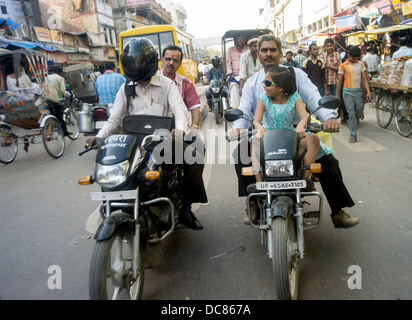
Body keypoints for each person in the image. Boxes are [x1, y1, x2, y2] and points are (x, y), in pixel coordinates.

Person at [230, 34, 358, 229]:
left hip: (297, 136)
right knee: (239, 153)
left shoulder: (297, 76)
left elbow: (315, 100)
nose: (268, 54)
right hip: (267, 136)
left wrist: (330, 118)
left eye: (273, 49)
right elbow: (245, 111)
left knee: (328, 161)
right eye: (264, 50)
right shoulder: (253, 83)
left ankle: (337, 212)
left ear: (281, 53)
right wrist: (238, 128)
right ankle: (253, 203)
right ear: (258, 53)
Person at [86, 38, 207, 230]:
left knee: (194, 156)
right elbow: (114, 119)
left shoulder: (167, 85)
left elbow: (179, 109)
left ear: (150, 62)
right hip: (132, 145)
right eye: (132, 62)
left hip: (160, 142)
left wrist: (181, 129)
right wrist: (99, 137)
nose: (136, 66)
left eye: (140, 61)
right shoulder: (124, 88)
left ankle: (185, 208)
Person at [251, 66, 319, 185]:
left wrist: (300, 126)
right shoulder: (263, 99)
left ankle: (305, 179)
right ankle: (259, 181)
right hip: (267, 136)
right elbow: (256, 120)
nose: (264, 86)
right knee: (254, 141)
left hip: (290, 136)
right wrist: (260, 128)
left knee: (313, 140)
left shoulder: (294, 98)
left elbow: (304, 116)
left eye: (267, 83)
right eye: (264, 82)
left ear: (280, 87)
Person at [159, 45, 201, 137]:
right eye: (168, 59)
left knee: (199, 148)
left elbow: (195, 108)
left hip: (179, 130)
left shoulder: (186, 84)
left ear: (180, 63)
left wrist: (194, 127)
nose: (171, 63)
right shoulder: (152, 79)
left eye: (175, 60)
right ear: (162, 60)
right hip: (155, 129)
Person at [336, 46, 371, 144]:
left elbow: (364, 79)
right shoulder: (343, 66)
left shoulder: (361, 64)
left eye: (357, 58)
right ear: (349, 55)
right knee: (351, 113)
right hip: (347, 92)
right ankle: (353, 135)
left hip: (358, 92)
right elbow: (340, 81)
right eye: (353, 58)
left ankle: (352, 121)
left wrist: (368, 91)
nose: (355, 60)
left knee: (359, 110)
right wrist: (337, 95)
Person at [226, 34, 248, 108]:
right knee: (234, 87)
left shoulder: (248, 49)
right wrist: (230, 73)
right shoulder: (230, 50)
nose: (240, 40)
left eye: (242, 38)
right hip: (235, 76)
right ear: (235, 39)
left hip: (247, 75)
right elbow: (228, 63)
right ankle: (235, 108)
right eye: (238, 38)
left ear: (244, 39)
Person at [47, 67, 71, 136]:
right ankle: (65, 131)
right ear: (60, 72)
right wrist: (66, 96)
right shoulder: (60, 78)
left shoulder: (47, 77)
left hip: (45, 99)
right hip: (54, 99)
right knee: (59, 115)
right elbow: (63, 91)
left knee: (52, 114)